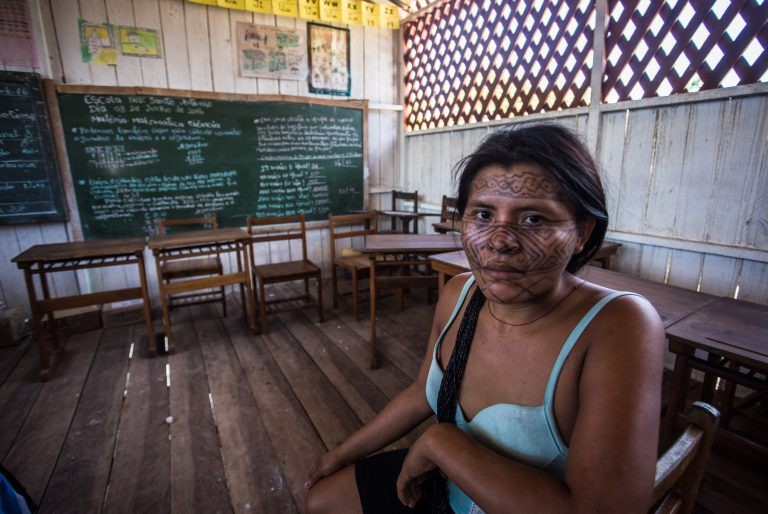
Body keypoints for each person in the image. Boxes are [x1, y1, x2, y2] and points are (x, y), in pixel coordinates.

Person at [304, 122, 665, 514]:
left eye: (534, 219)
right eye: (482, 214)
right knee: (320, 500)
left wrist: (441, 444)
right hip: (442, 486)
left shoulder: (618, 326)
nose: (499, 240)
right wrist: (342, 453)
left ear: (582, 232)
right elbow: (422, 392)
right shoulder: (458, 295)